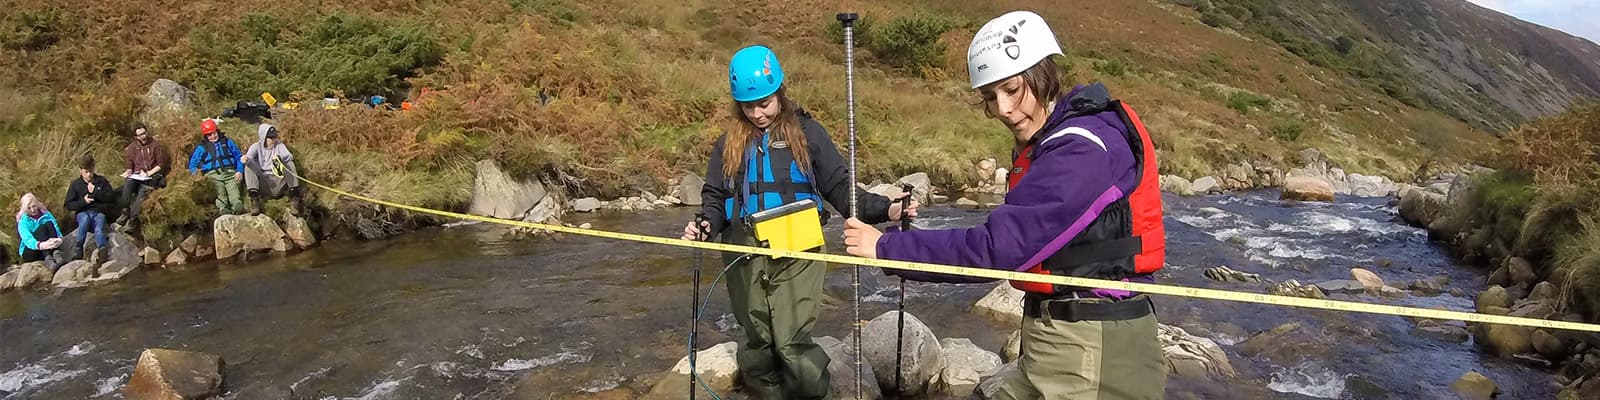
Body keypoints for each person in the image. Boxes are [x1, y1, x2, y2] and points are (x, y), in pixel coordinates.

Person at [843, 11, 1169, 399]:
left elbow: (997, 249)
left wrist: (885, 248)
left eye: (1012, 90)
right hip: (1058, 341)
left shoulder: (1082, 149)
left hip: (1095, 351)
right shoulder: (1058, 136)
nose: (1001, 109)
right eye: (989, 97)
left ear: (1044, 75)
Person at [680, 45, 917, 399]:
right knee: (759, 341)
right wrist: (705, 226)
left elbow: (840, 188)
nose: (758, 113)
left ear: (780, 93)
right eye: (749, 106)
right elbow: (715, 196)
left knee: (790, 340)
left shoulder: (808, 133)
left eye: (765, 103)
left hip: (798, 245)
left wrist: (889, 210)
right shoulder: (728, 142)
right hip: (742, 249)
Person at [241, 124, 305, 215]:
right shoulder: (256, 146)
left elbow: (289, 156)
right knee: (249, 166)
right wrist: (246, 159)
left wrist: (280, 158)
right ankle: (254, 201)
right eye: (271, 138)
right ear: (264, 138)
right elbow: (249, 156)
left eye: (275, 137)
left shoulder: (279, 145)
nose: (274, 140)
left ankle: (294, 198)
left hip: (278, 181)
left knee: (289, 163)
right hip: (264, 183)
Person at [187, 119, 246, 215]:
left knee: (234, 193)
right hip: (213, 176)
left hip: (230, 174)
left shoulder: (227, 142)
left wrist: (239, 171)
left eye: (214, 133)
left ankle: (237, 206)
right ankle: (223, 209)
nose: (213, 136)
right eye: (209, 135)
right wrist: (197, 176)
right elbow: (193, 164)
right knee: (220, 193)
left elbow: (239, 157)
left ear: (217, 131)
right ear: (206, 136)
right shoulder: (202, 147)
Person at [119, 123, 171, 234]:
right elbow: (129, 162)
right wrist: (129, 170)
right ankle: (124, 212)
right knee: (127, 186)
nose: (143, 137)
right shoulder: (132, 147)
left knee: (142, 194)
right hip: (137, 175)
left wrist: (148, 173)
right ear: (136, 137)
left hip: (151, 176)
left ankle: (132, 221)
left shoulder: (155, 145)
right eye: (140, 135)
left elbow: (161, 164)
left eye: (144, 133)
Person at [64, 155, 115, 260]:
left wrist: (96, 192)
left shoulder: (101, 181)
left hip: (98, 212)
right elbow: (68, 205)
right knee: (84, 220)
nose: (89, 175)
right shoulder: (76, 184)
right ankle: (78, 249)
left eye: (91, 171)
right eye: (86, 172)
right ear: (80, 171)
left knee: (99, 227)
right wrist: (83, 201)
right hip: (83, 212)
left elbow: (111, 198)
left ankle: (102, 249)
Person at [16, 193, 65, 267]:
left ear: (37, 204)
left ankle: (56, 253)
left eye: (34, 206)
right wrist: (41, 245)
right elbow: (28, 239)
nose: (32, 210)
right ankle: (48, 258)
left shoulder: (46, 214)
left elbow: (55, 227)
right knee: (42, 228)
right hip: (32, 250)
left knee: (49, 223)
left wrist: (59, 239)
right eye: (29, 208)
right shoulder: (23, 222)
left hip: (50, 246)